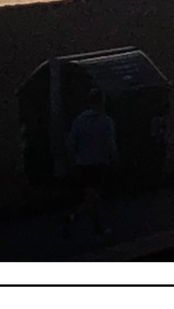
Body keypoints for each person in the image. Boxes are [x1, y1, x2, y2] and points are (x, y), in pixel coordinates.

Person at [65, 89, 118, 238]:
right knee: (93, 197)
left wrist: (73, 159)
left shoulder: (79, 120)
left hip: (83, 163)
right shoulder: (106, 121)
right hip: (99, 164)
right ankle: (75, 217)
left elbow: (71, 142)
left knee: (92, 197)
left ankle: (96, 227)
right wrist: (114, 159)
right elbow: (111, 145)